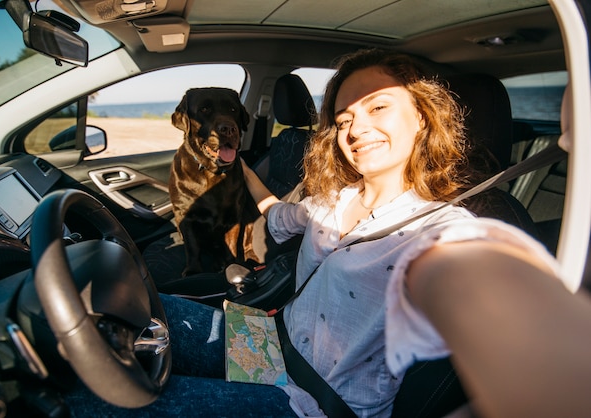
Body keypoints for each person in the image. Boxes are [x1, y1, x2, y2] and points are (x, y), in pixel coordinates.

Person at [65, 49, 589, 418]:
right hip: (269, 343)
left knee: (92, 402)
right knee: (109, 310)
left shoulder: (443, 231)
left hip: (312, 402)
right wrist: (246, 178)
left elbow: (479, 283)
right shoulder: (335, 200)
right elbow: (276, 214)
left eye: (378, 107)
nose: (356, 129)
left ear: (423, 118)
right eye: (342, 119)